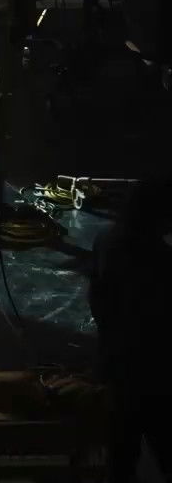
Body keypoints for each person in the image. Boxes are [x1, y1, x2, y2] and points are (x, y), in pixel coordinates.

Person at [90, 177, 172, 480]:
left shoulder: (105, 239)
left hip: (115, 367)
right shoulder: (159, 258)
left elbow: (97, 298)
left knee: (121, 458)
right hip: (153, 374)